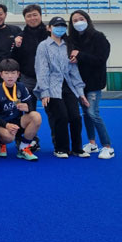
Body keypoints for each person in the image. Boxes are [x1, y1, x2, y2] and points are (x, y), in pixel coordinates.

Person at [34, 16, 90, 159]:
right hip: (52, 87)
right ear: (49, 28)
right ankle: (61, 148)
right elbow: (42, 70)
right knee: (61, 117)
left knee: (76, 117)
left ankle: (77, 148)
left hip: (68, 86)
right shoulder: (43, 46)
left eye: (62, 26)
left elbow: (74, 71)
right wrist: (44, 91)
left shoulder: (68, 45)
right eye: (56, 26)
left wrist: (80, 92)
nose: (60, 29)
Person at [68, 10, 115, 159]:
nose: (78, 22)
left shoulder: (99, 37)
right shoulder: (73, 39)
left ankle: (107, 146)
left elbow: (100, 60)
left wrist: (80, 55)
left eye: (81, 19)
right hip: (79, 84)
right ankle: (92, 143)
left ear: (87, 20)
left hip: (94, 83)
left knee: (93, 113)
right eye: (75, 20)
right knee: (86, 114)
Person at [0, 59, 42, 161]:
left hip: (18, 122)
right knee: (9, 137)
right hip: (2, 124)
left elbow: (30, 106)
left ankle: (24, 148)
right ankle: (1, 143)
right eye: (6, 73)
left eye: (13, 73)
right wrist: (6, 125)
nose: (10, 76)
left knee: (36, 116)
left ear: (18, 74)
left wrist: (28, 108)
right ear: (1, 75)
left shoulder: (21, 87)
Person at [11, 5, 48, 97]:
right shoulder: (20, 37)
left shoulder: (51, 34)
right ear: (25, 19)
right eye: (29, 16)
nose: (32, 18)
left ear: (40, 15)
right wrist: (17, 47)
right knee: (28, 105)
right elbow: (14, 58)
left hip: (49, 77)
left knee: (52, 105)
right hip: (28, 78)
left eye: (35, 15)